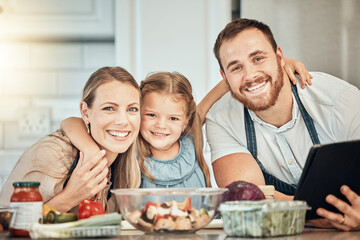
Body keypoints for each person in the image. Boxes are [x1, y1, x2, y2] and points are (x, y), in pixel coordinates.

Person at [205, 18, 360, 229]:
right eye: (236, 68)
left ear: (280, 57)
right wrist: (322, 211)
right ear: (224, 77)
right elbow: (248, 200)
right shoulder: (221, 119)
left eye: (258, 58)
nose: (250, 75)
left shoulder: (339, 101)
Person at [61, 59, 310, 189]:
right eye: (150, 115)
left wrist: (274, 64)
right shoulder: (130, 145)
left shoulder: (191, 137)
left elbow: (222, 88)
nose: (161, 126)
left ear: (186, 121)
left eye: (172, 118)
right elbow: (70, 122)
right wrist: (92, 151)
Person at [0, 66, 141, 213]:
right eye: (109, 108)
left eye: (132, 109)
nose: (123, 121)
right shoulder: (52, 154)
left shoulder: (127, 163)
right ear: (85, 112)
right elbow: (6, 222)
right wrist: (70, 197)